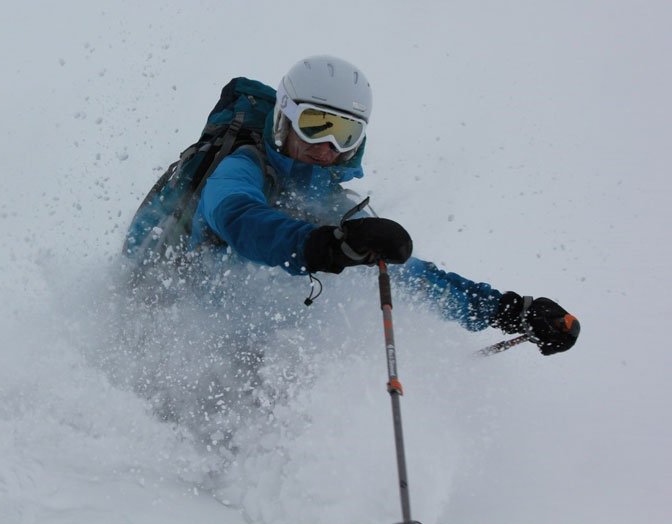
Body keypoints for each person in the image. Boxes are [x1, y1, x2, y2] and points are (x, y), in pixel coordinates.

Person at [129, 54, 579, 356]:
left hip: (249, 346)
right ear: (283, 118)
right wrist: (324, 246)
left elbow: (413, 280)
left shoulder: (332, 204)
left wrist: (507, 310)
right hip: (170, 332)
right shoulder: (241, 168)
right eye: (314, 126)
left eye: (343, 134)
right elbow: (239, 218)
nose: (326, 146)